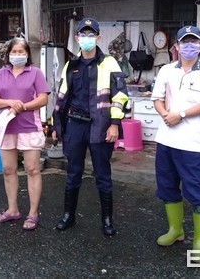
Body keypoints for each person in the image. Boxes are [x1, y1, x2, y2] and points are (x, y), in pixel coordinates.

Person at [51, 18, 128, 236]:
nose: (87, 38)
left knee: (102, 174)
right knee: (73, 172)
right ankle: (68, 215)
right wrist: (56, 124)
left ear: (98, 38)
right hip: (75, 125)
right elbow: (61, 97)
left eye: (91, 34)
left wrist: (114, 124)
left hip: (101, 126)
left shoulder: (109, 63)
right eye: (83, 35)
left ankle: (107, 220)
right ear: (76, 39)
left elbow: (120, 96)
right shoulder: (71, 65)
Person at [151, 25, 200, 264]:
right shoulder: (167, 71)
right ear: (177, 47)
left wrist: (178, 114)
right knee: (168, 187)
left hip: (192, 143)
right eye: (184, 42)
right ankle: (175, 230)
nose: (189, 46)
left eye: (194, 42)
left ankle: (199, 241)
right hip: (166, 139)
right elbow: (157, 99)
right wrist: (164, 114)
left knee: (196, 191)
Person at [0, 38, 50, 230]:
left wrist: (22, 107)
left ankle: (33, 214)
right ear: (8, 54)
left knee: (32, 169)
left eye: (21, 51)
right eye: (13, 52)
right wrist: (10, 103)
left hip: (29, 127)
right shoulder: (2, 73)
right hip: (6, 128)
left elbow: (43, 99)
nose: (17, 55)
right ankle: (12, 209)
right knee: (8, 169)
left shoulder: (36, 73)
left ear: (27, 54)